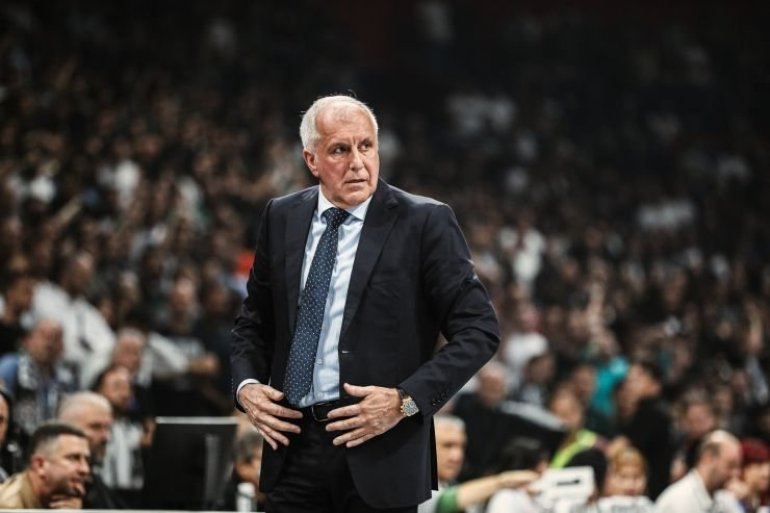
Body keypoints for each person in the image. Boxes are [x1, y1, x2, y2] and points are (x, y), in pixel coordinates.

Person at [231, 94, 500, 512]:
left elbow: (480, 330)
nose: (358, 162)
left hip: (382, 449)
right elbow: (254, 322)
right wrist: (246, 387)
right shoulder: (281, 216)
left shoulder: (424, 221)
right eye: (340, 149)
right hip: (293, 446)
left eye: (366, 146)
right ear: (311, 159)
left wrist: (405, 400)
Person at [417, 415, 538, 513]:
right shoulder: (415, 485)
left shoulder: (453, 486)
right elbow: (443, 503)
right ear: (426, 448)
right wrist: (503, 481)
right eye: (447, 446)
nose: (457, 456)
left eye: (462, 447)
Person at [57, 391, 126, 509]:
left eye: (107, 428)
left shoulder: (95, 483)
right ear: (66, 430)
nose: (106, 437)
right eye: (96, 427)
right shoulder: (55, 484)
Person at [0, 422, 90, 509]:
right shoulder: (8, 507)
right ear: (40, 465)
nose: (85, 469)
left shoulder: (69, 501)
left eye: (87, 460)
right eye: (73, 458)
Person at [656, 430, 743, 513]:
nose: (736, 473)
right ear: (708, 458)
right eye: (731, 465)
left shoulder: (725, 498)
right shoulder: (676, 502)